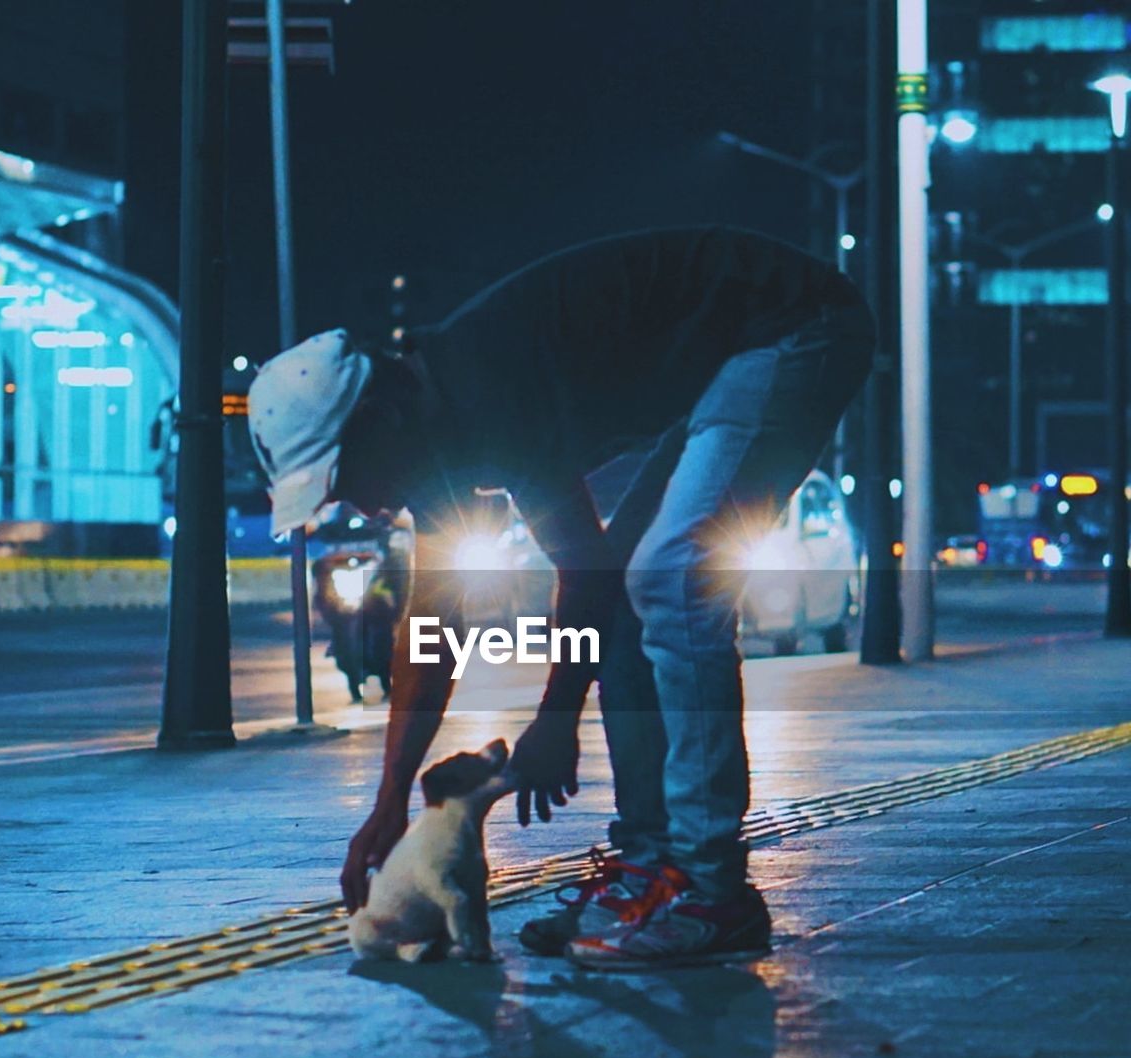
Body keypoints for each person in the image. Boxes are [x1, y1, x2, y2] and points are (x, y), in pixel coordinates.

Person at [247, 226, 875, 970]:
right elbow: (434, 624)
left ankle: (714, 892)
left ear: (379, 421)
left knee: (667, 577)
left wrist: (555, 719)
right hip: (722, 362)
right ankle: (651, 867)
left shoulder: (486, 389)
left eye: (343, 479)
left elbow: (587, 572)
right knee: (641, 598)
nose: (358, 505)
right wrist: (388, 803)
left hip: (796, 327)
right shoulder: (434, 435)